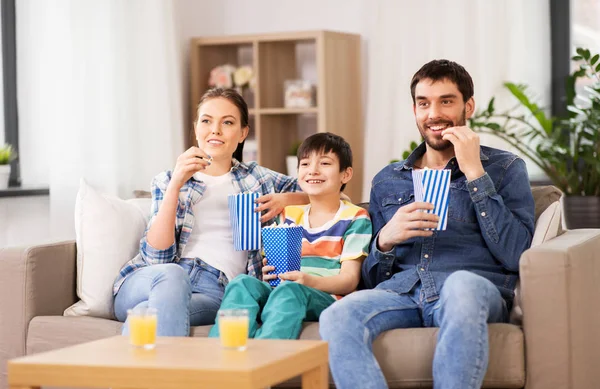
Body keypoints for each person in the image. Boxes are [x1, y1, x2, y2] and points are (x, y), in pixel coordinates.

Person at [319, 60, 535, 389]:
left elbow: (517, 254)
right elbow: (372, 278)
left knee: (462, 286)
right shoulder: (387, 180)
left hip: (470, 290)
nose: (433, 114)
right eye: (424, 103)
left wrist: (475, 172)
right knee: (337, 315)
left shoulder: (505, 168)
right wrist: (385, 241)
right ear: (415, 109)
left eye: (446, 101)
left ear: (469, 106)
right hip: (401, 293)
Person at [113, 88, 309, 336]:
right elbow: (157, 259)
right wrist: (175, 186)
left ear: (242, 133)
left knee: (144, 315)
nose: (215, 130)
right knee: (172, 276)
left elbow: (331, 194)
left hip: (214, 289)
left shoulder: (258, 179)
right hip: (153, 279)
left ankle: (137, 372)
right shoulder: (167, 180)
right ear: (196, 128)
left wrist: (286, 199)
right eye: (207, 121)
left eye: (227, 122)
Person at [208, 132, 372, 340]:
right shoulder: (289, 215)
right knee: (242, 283)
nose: (313, 170)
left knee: (290, 291)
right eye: (304, 164)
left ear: (345, 174)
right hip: (285, 288)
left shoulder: (355, 217)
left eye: (324, 163)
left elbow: (349, 281)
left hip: (325, 297)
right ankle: (220, 356)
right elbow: (275, 271)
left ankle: (265, 363)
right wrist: (271, 272)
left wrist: (308, 281)